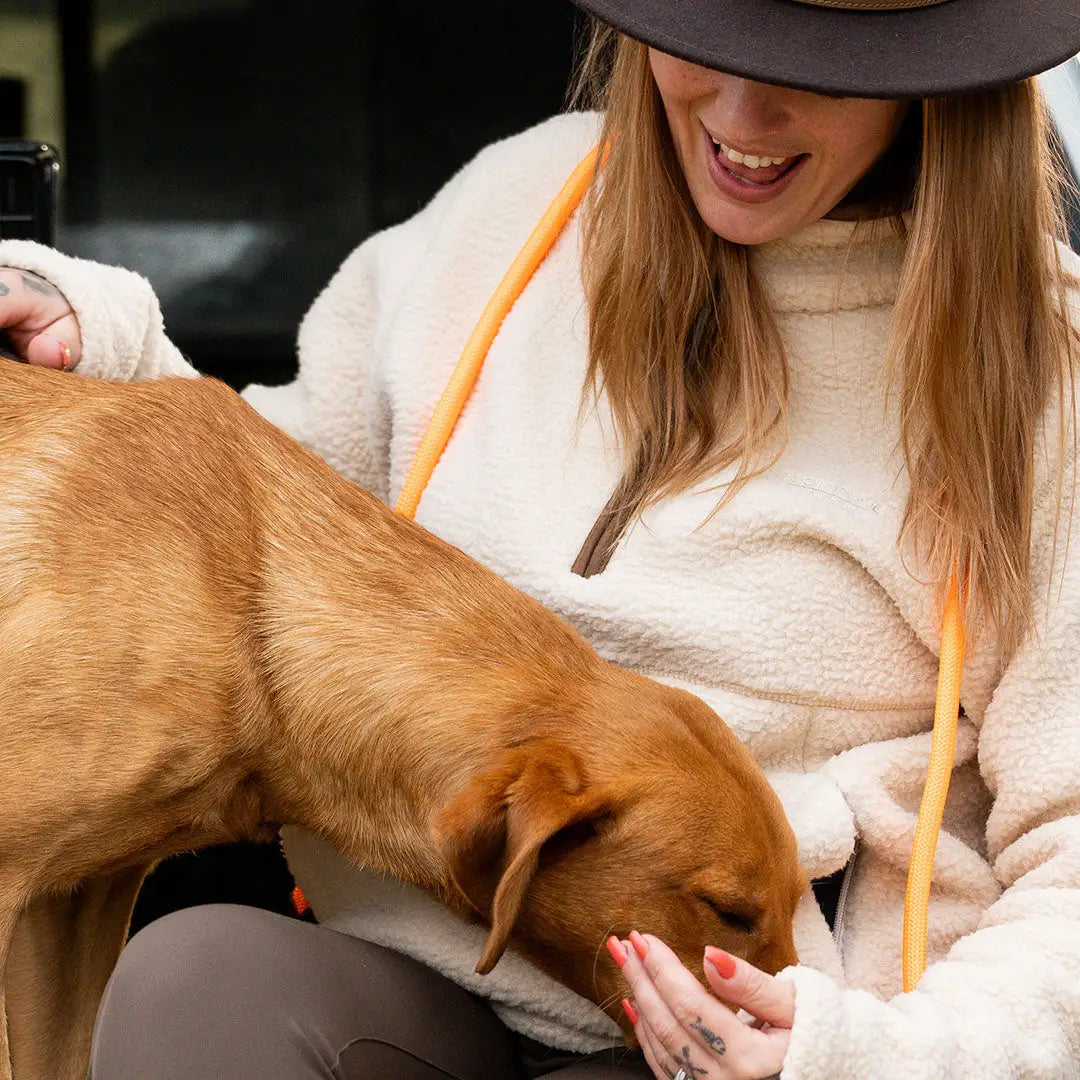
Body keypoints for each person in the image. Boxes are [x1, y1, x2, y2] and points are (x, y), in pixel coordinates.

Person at [1, 0, 1079, 1076]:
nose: (743, 108)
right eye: (707, 40)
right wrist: (98, 337)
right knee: (201, 978)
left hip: (762, 1047)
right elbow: (267, 541)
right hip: (418, 993)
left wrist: (867, 1056)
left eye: (827, 68)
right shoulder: (519, 206)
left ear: (936, 81)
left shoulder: (1045, 378)